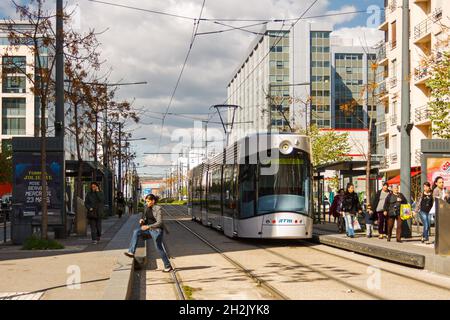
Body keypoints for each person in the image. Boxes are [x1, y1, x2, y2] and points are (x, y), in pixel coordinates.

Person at [124, 194, 172, 272]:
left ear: (153, 201)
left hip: (157, 230)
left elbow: (159, 222)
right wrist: (142, 221)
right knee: (136, 231)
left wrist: (148, 226)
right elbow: (147, 220)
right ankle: (131, 252)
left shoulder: (158, 208)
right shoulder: (147, 208)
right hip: (149, 230)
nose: (147, 203)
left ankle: (167, 266)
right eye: (146, 201)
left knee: (159, 248)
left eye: (148, 201)